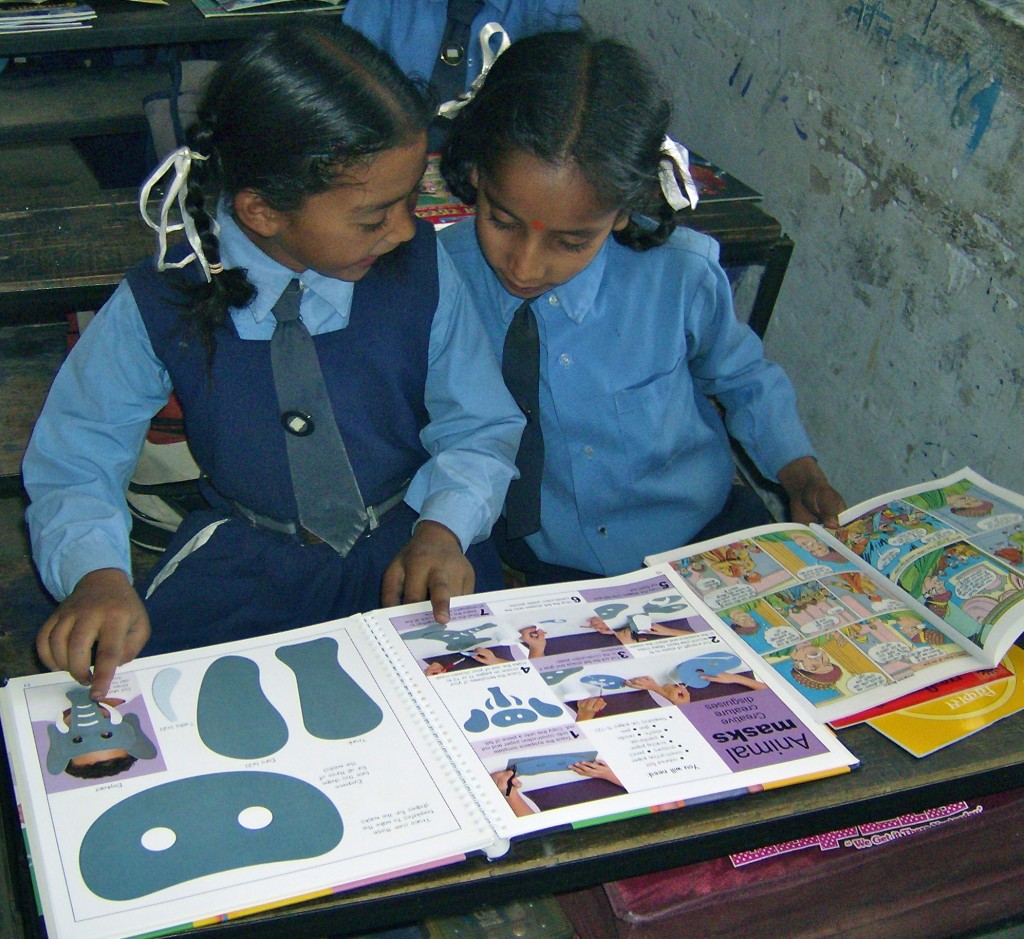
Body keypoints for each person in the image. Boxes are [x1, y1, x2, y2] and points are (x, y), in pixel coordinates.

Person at [23, 23, 524, 700]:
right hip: (244, 573)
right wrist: (97, 577)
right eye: (375, 215)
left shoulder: (421, 270)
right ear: (261, 211)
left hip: (414, 555)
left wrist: (444, 528)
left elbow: (479, 425)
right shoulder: (164, 294)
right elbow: (77, 455)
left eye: (411, 200)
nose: (406, 229)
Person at [438, 28, 846, 584]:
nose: (525, 266)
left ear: (624, 212)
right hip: (546, 561)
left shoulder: (680, 275)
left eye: (572, 241)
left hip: (696, 534)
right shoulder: (442, 278)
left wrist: (799, 474)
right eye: (502, 221)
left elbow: (744, 377)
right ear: (477, 176)